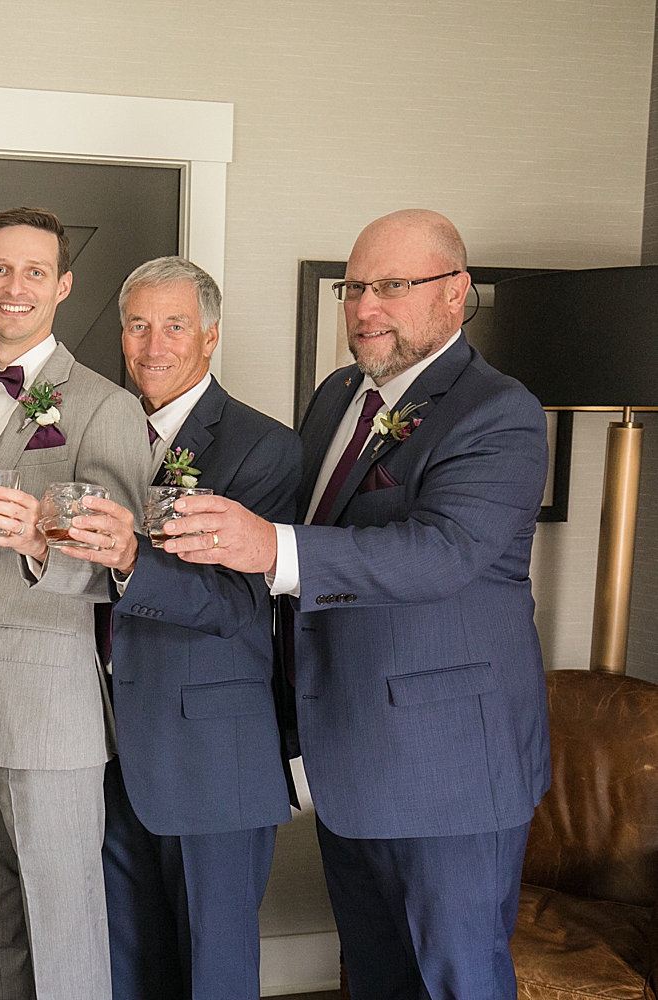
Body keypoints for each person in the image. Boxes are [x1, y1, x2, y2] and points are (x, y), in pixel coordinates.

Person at [160, 210, 550, 998]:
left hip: (449, 774)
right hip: (349, 760)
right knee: (374, 977)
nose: (366, 306)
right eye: (355, 287)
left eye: (393, 286)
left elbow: (445, 551)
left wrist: (271, 546)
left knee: (457, 979)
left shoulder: (499, 412)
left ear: (456, 295)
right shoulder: (339, 396)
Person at [60, 257, 300, 999]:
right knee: (127, 966)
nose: (153, 344)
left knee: (213, 973)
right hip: (107, 747)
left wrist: (132, 558)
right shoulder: (98, 430)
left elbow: (237, 606)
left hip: (212, 753)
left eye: (174, 325)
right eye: (138, 325)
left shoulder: (263, 447)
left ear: (211, 336)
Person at [0, 207, 149, 1000]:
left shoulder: (104, 408)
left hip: (51, 713)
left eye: (33, 272)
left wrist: (37, 546)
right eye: (0, 270)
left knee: (64, 931)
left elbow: (121, 567)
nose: (14, 286)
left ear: (61, 286)